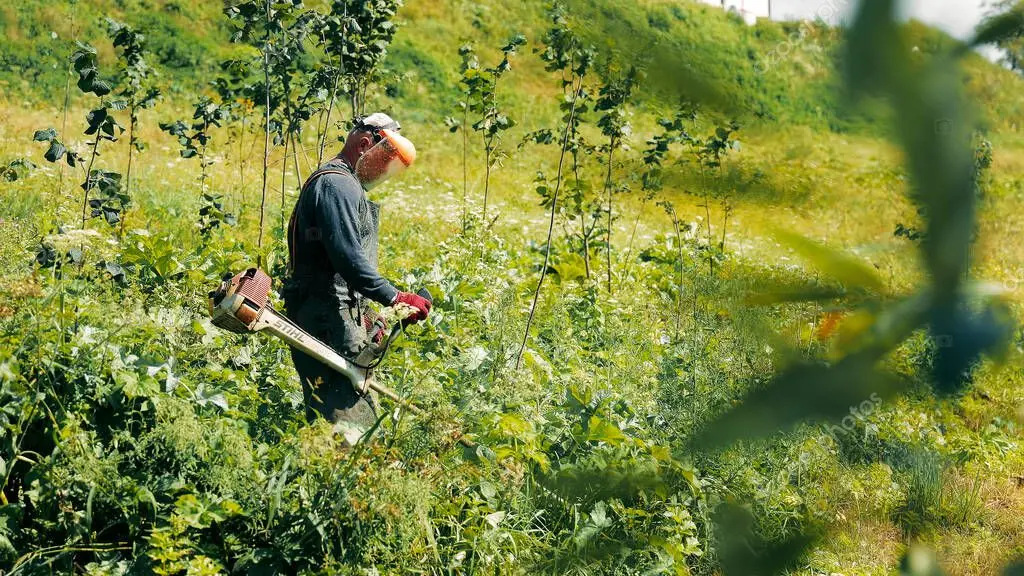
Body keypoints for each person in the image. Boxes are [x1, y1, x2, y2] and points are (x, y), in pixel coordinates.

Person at [283, 112, 431, 441]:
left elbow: (335, 264)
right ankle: (343, 486)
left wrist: (365, 316)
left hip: (333, 313)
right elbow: (347, 257)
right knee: (349, 427)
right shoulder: (337, 184)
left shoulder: (341, 184)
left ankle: (334, 480)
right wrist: (396, 298)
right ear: (365, 144)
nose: (383, 172)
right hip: (327, 319)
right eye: (384, 160)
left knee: (347, 414)